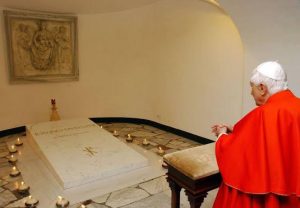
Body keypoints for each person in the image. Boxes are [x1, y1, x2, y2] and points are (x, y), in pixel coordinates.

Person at [211, 61, 300, 208]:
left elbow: (236, 152)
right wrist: (234, 129)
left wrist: (222, 135)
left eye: (252, 88)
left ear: (262, 88)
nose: (251, 92)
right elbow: (275, 137)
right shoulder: (296, 105)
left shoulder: (264, 113)